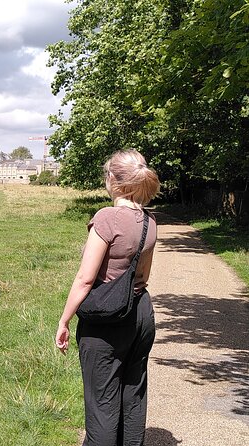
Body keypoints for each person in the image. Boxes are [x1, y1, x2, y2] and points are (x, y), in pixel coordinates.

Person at [55, 149, 161, 445]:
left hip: (108, 321)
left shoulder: (107, 218)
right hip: (141, 313)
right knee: (134, 394)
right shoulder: (149, 221)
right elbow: (143, 276)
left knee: (102, 402)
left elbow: (85, 278)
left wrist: (64, 321)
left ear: (113, 180)